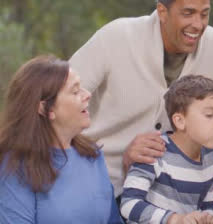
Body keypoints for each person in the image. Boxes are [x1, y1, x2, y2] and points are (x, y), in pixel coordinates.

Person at [69, 0, 213, 197]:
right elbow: (61, 96)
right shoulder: (117, 36)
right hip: (97, 185)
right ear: (162, 11)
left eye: (204, 13)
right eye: (188, 13)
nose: (198, 24)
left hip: (169, 195)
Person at [0, 55, 122, 224]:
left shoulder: (93, 155)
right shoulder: (15, 167)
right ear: (44, 108)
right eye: (75, 91)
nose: (87, 95)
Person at [120, 75, 213, 224]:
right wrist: (174, 219)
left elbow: (206, 205)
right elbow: (129, 205)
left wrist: (208, 219)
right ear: (180, 121)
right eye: (210, 115)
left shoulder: (210, 157)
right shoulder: (155, 151)